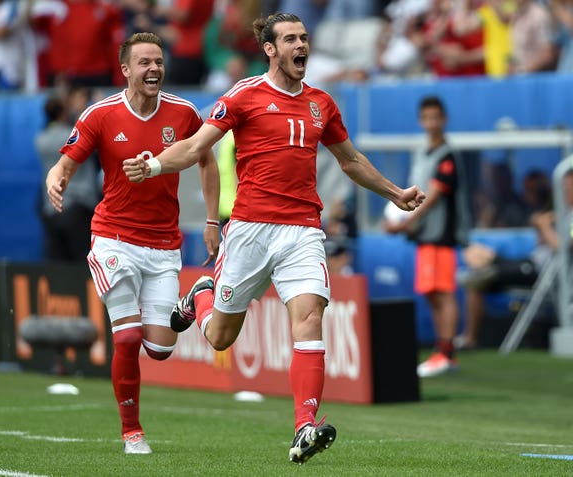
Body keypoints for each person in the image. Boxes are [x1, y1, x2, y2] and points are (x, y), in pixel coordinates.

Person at [123, 13, 425, 464]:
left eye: (304, 38)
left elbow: (351, 160)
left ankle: (304, 426)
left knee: (309, 317)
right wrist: (152, 165)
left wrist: (396, 193)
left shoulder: (322, 103)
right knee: (222, 338)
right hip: (248, 231)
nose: (300, 46)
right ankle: (200, 299)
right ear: (270, 49)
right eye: (290, 39)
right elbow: (194, 147)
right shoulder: (243, 95)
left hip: (302, 230)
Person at [45, 32, 220, 454]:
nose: (154, 69)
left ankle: (191, 300)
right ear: (125, 70)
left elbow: (206, 160)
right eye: (144, 62)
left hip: (163, 245)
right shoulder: (100, 114)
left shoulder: (183, 112)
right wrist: (57, 178)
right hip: (114, 238)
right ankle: (132, 432)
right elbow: (66, 162)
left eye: (158, 61)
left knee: (159, 348)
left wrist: (213, 219)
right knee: (125, 338)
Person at [384, 95, 471, 378]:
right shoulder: (422, 153)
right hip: (424, 235)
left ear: (444, 119)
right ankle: (441, 350)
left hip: (442, 234)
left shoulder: (447, 155)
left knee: (443, 292)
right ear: (421, 120)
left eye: (436, 117)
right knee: (432, 293)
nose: (432, 122)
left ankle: (447, 353)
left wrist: (408, 220)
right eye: (427, 117)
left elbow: (434, 195)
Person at [456, 169, 573, 349]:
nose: (564, 190)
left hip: (541, 272)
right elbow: (543, 243)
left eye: (567, 186)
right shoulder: (561, 213)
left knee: (477, 276)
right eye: (563, 186)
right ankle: (477, 275)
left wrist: (545, 226)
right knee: (475, 253)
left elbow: (563, 248)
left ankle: (470, 336)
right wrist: (541, 226)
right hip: (531, 261)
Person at [35, 89, 99, 262]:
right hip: (79, 208)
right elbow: (89, 137)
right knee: (84, 264)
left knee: (59, 266)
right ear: (64, 113)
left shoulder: (40, 139)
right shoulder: (71, 136)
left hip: (52, 209)